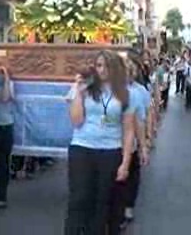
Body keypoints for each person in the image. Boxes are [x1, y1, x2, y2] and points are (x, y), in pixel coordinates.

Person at [64, 51, 135, 235]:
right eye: (99, 65)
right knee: (79, 197)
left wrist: (125, 163)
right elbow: (76, 121)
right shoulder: (85, 88)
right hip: (82, 147)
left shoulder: (126, 94)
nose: (102, 70)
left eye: (106, 65)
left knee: (103, 201)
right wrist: (78, 93)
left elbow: (128, 131)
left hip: (110, 151)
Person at [118, 56, 150, 227]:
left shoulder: (138, 92)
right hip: (112, 143)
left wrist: (144, 144)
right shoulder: (109, 91)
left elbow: (141, 120)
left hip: (129, 143)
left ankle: (127, 208)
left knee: (130, 176)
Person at [0, 61, 15, 209]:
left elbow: (6, 97)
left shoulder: (9, 82)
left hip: (5, 124)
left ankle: (2, 194)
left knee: (3, 161)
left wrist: (6, 78)